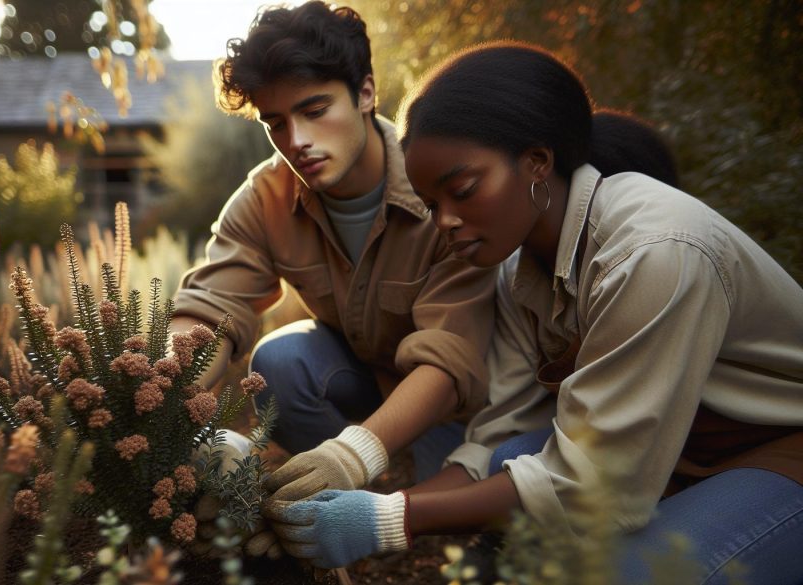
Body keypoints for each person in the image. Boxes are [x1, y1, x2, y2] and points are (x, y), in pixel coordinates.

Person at [264, 42, 803, 585]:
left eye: (463, 190)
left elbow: (599, 487)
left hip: (778, 454)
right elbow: (502, 431)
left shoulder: (654, 252)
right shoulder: (518, 271)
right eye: (432, 205)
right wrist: (349, 508)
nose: (445, 222)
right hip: (671, 455)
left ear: (537, 162)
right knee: (511, 458)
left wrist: (390, 519)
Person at [171, 0, 496, 506]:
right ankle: (338, 508)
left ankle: (366, 473)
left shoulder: (442, 187)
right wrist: (160, 386)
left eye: (315, 111)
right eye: (275, 123)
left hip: (461, 406)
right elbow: (211, 306)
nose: (296, 141)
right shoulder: (265, 197)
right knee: (281, 360)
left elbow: (452, 360)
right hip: (367, 379)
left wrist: (352, 454)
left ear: (365, 92)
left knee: (476, 546)